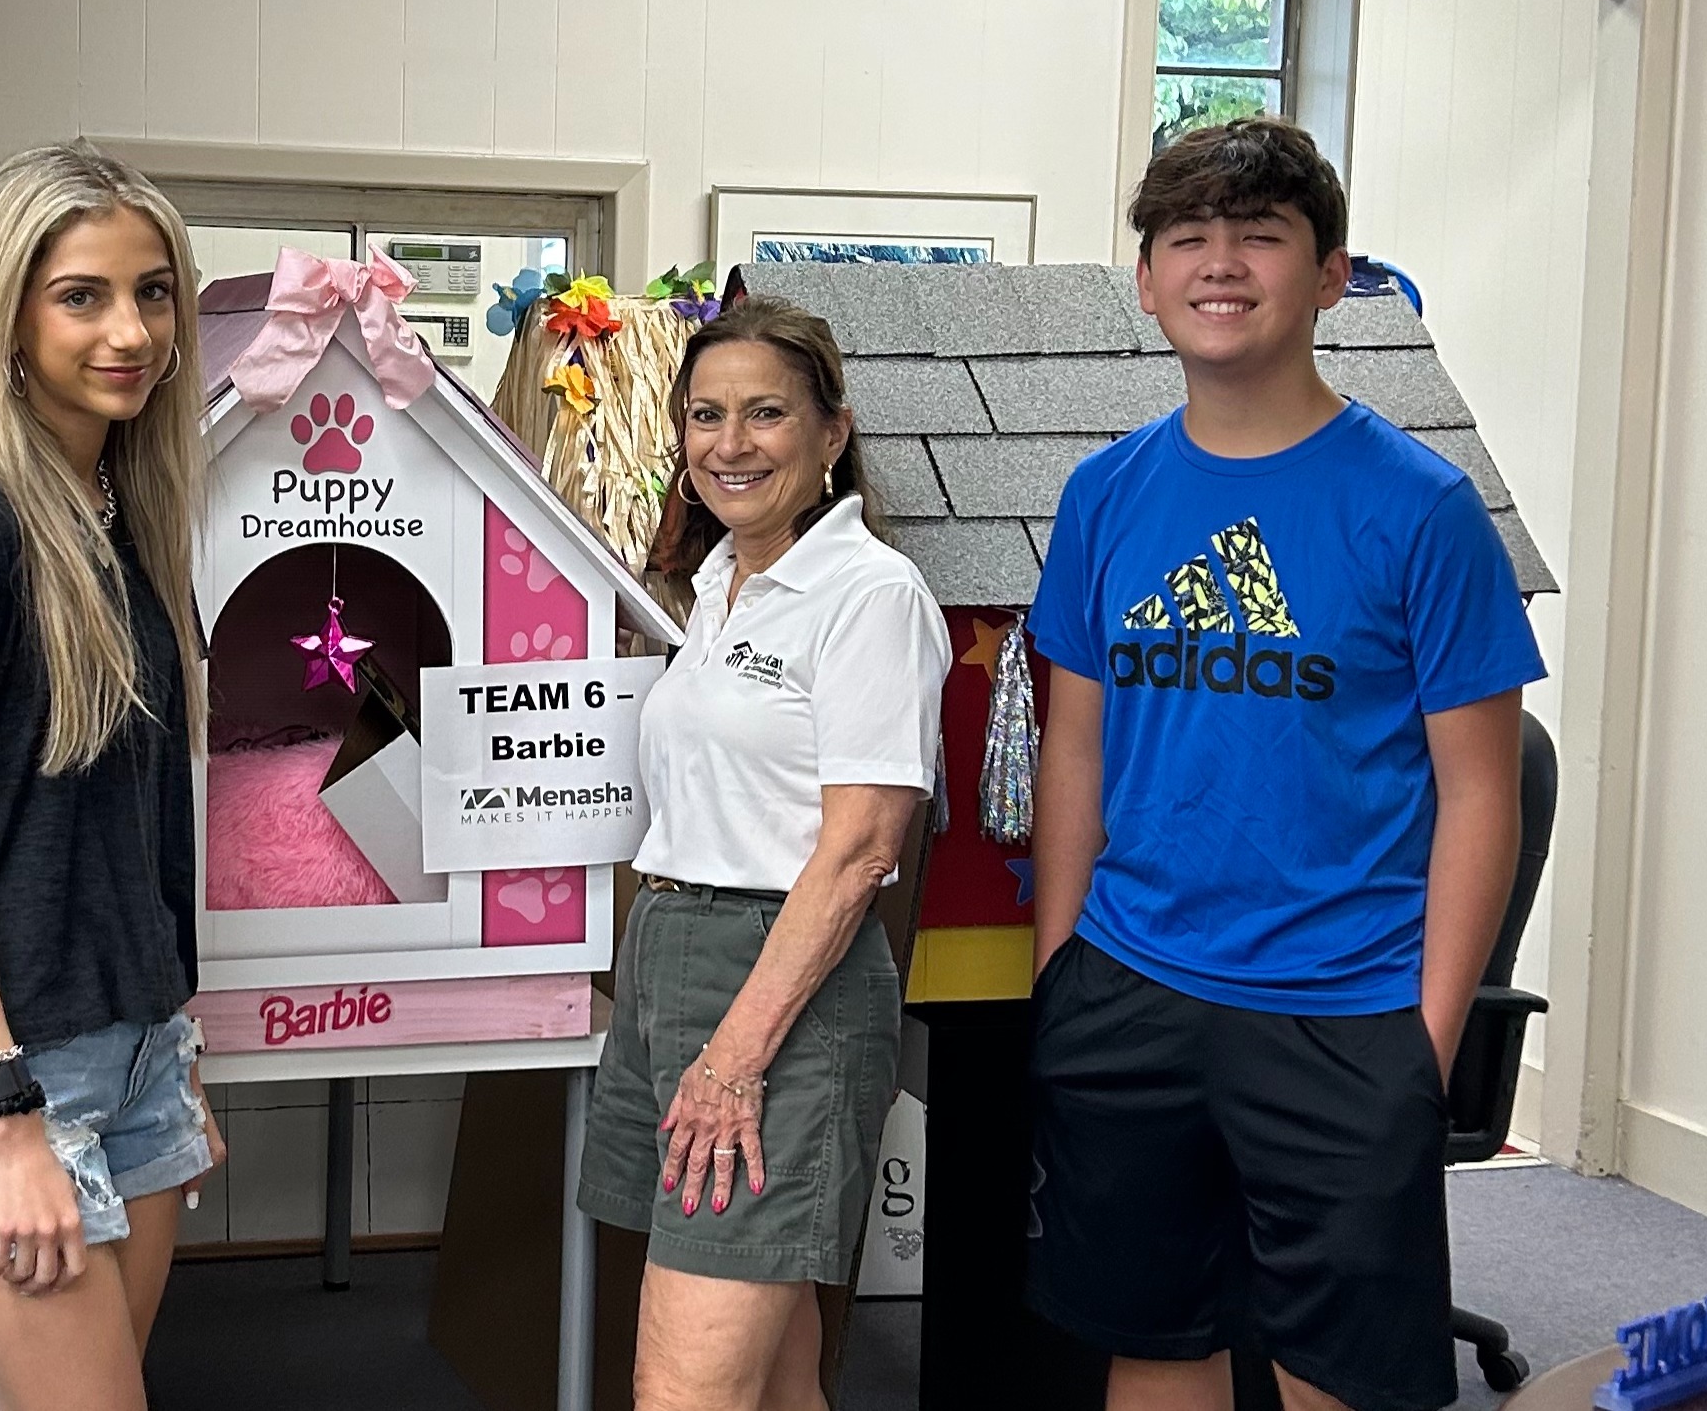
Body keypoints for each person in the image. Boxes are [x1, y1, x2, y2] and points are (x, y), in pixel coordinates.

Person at [1025, 116, 1544, 1411]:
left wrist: (1424, 1046)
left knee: (1339, 1380)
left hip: (1346, 1013)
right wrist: (1061, 976)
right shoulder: (1105, 495)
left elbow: (1484, 792)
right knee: (1155, 1349)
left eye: (1260, 235)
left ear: (1329, 276)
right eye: (1188, 237)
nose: (1221, 264)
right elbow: (1074, 745)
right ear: (1147, 280)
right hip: (1131, 991)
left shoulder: (1422, 508)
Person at [0, 140, 225, 1409]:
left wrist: (172, 1047)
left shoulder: (125, 514)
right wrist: (4, 1112)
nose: (131, 331)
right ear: (10, 313)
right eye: (82, 296)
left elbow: (132, 832)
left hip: (137, 1054)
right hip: (14, 1074)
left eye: (154, 292)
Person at [575, 295, 953, 1411]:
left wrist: (734, 1059)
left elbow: (861, 852)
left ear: (832, 432)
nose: (729, 443)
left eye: (766, 413)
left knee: (683, 1391)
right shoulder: (717, 588)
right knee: (779, 1379)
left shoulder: (869, 594)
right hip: (670, 959)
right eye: (706, 415)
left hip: (777, 989)